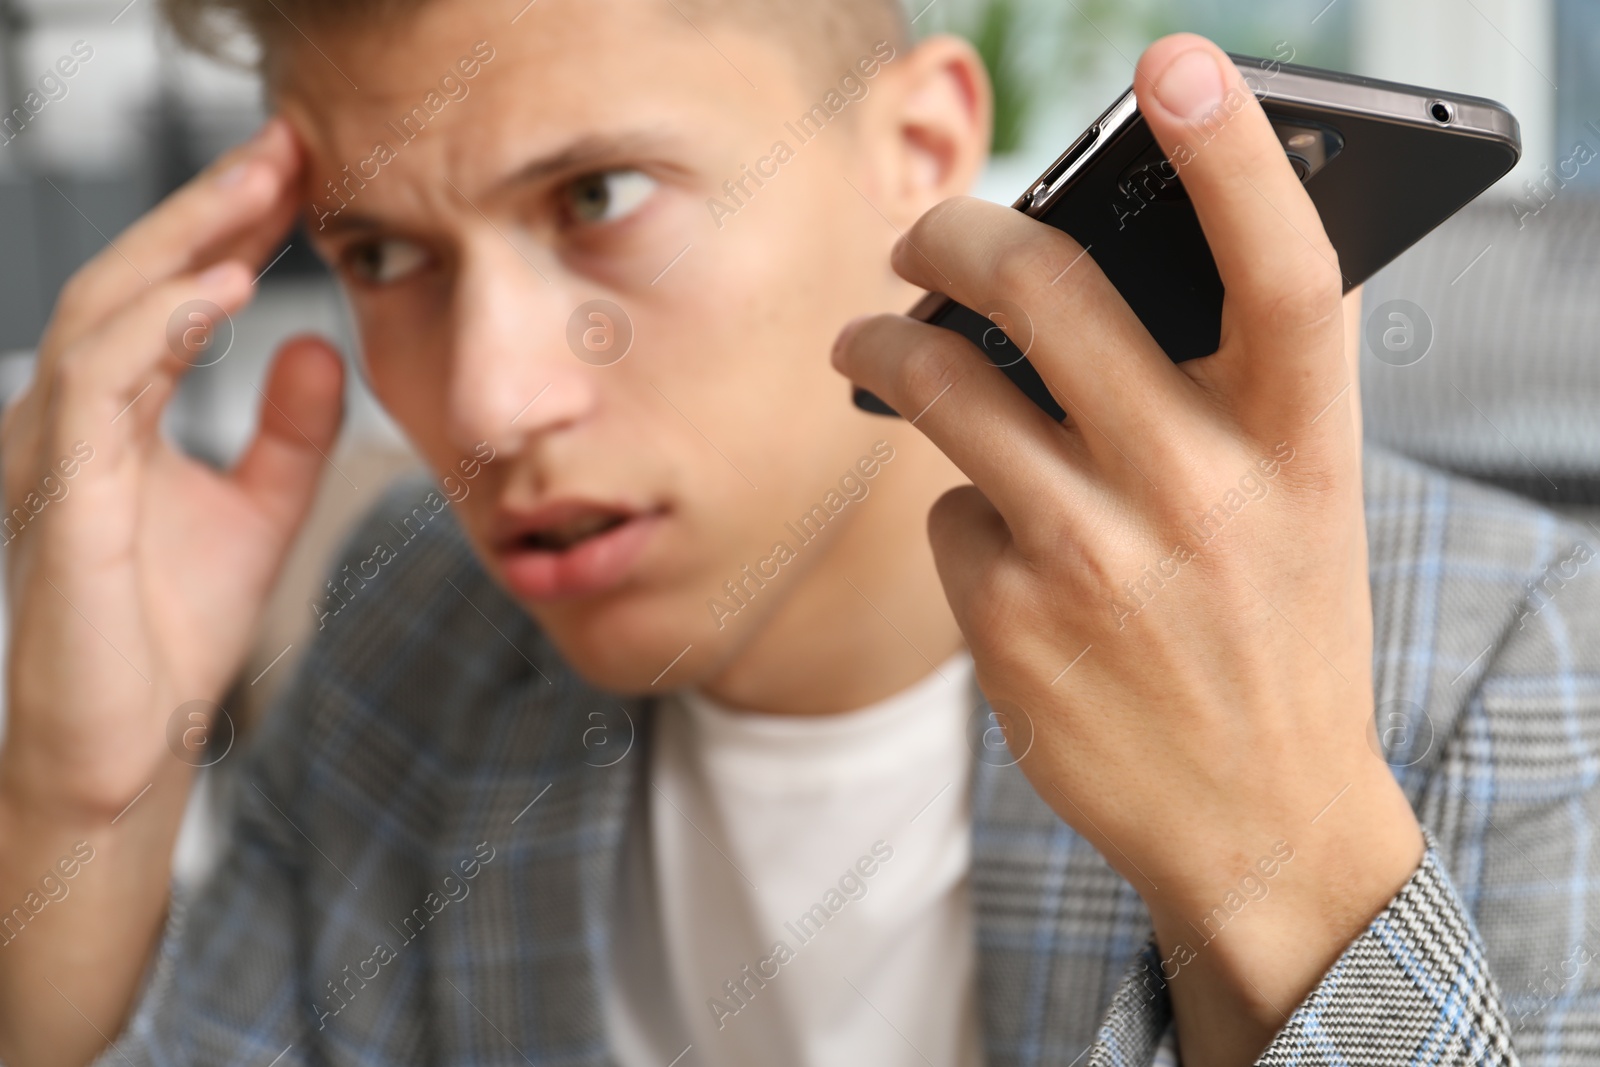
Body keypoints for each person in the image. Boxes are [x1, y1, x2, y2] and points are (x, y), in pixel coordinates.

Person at [0, 0, 1594, 1064]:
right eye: (381, 251)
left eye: (600, 198)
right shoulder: (412, 609)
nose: (482, 403)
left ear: (913, 152)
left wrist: (1294, 865)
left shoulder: (1507, 651)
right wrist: (86, 789)